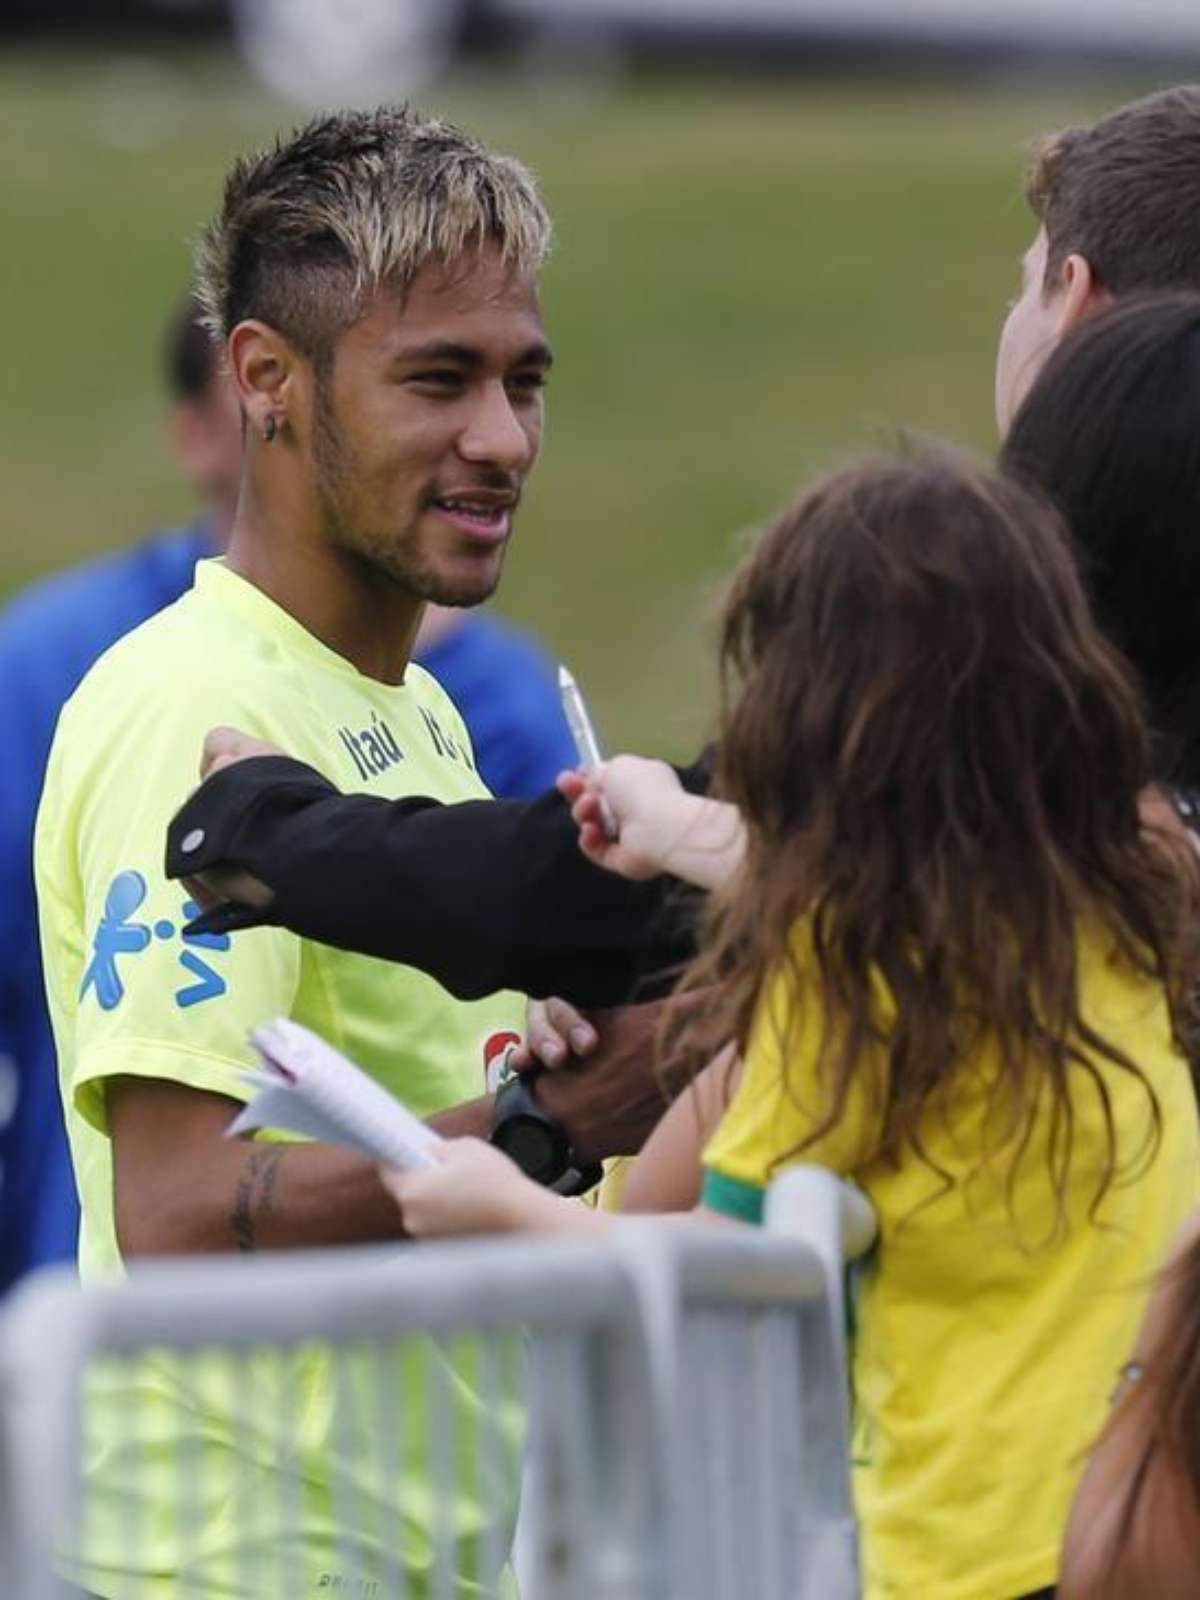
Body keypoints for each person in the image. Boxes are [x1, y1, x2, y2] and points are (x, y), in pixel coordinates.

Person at [168, 81, 1200, 1035]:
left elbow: (780, 882)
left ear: (1078, 302)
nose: (505, 440)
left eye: (1022, 288)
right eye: (442, 380)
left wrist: (273, 835)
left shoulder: (1026, 600)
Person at [378, 451, 1200, 1600]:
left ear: (808, 716)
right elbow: (926, 871)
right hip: (1142, 1536)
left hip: (967, 1560)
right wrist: (678, 824)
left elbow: (728, 1272)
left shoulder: (852, 983)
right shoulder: (1135, 884)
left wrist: (507, 1209)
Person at [34, 105, 592, 1599]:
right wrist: (543, 1128)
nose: (503, 437)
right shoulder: (189, 708)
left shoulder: (421, 718)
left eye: (524, 380)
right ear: (266, 381)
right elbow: (178, 1216)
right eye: (440, 380)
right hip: (230, 1561)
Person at [0, 296, 242, 1294]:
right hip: (83, 1291)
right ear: (192, 434)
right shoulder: (47, 660)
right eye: (256, 402)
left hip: (396, 1346)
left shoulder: (484, 701)